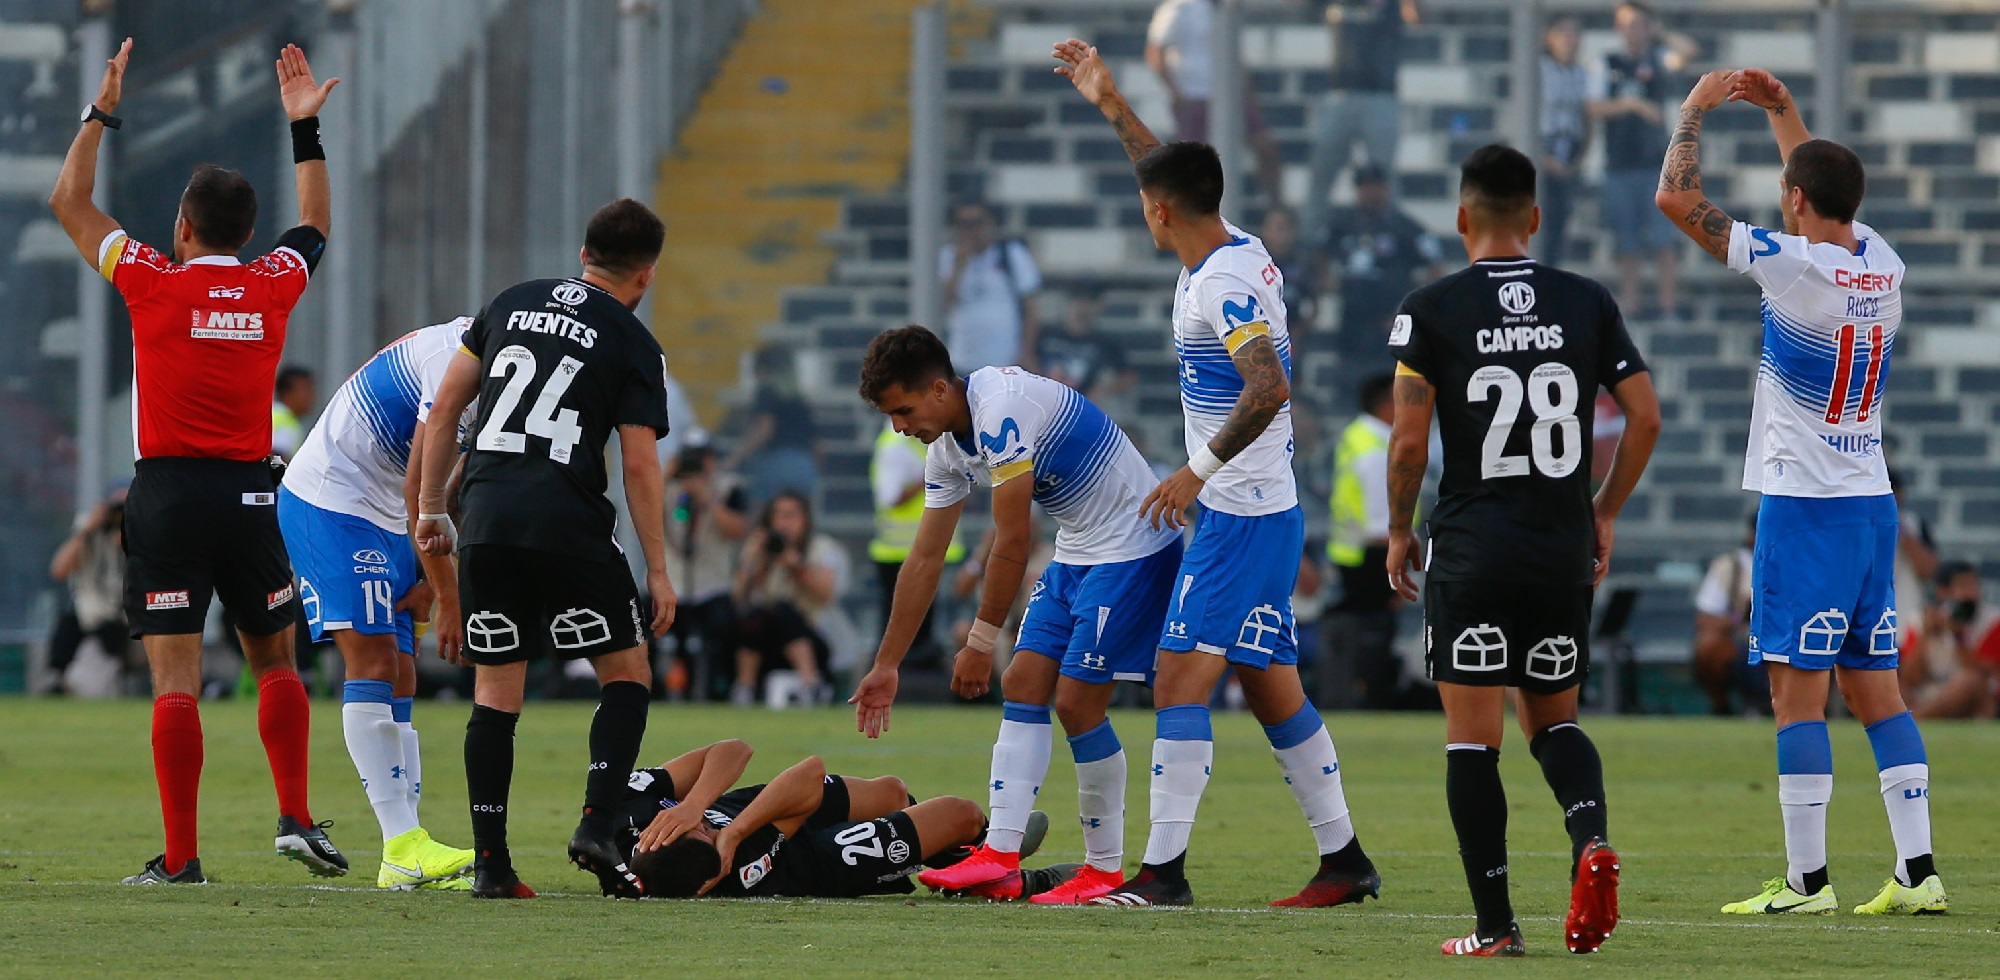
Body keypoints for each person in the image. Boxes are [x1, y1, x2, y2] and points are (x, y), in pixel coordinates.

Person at [1055, 39, 1379, 909]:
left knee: (1178, 678)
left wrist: (1194, 474)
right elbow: (1165, 173)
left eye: (1144, 203)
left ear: (1160, 215)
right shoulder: (1225, 244)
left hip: (1239, 513)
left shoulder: (1220, 287)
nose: (1143, 210)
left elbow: (1271, 387)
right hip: (1259, 509)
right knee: (1273, 690)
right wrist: (1112, 104)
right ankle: (1344, 859)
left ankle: (1163, 874)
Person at [49, 40, 343, 886]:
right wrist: (305, 125)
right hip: (255, 493)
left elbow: (70, 201)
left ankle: (181, 860)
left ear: (183, 228)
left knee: (175, 679)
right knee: (275, 662)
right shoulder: (271, 283)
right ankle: (293, 815)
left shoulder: (151, 278)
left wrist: (101, 112)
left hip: (169, 495)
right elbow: (316, 225)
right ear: (248, 234)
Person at [1659, 67, 1947, 917]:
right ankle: (1917, 871)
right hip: (1870, 500)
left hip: (1805, 503)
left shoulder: (1793, 269)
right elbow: (1815, 186)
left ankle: (1807, 883)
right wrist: (1784, 110)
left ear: (1791, 202)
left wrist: (1695, 110)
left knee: (1795, 692)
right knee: (1877, 690)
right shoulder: (1879, 262)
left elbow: (1677, 203)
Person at [1387, 144, 1660, 956]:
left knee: (1473, 739)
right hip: (1558, 544)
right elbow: (1644, 418)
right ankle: (1591, 843)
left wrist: (1401, 529)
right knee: (1553, 720)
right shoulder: (1587, 299)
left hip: (1473, 545)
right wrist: (1603, 511)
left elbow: (1407, 445)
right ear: (1535, 219)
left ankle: (1497, 928)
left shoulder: (1430, 308)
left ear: (1462, 217)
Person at [848, 325, 1185, 905]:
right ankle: (999, 855)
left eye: (902, 410)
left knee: (1077, 703)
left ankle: (1102, 870)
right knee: (1024, 682)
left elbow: (1012, 539)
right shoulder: (947, 446)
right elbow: (925, 557)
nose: (899, 427)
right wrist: (888, 663)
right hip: (1081, 548)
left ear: (936, 389)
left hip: (1134, 547)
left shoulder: (1002, 408)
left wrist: (980, 639)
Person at [415, 198, 677, 900]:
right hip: (567, 522)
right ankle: (598, 820)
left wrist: (432, 508)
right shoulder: (631, 339)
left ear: (583, 253)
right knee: (626, 671)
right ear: (645, 274)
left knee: (496, 692)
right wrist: (657, 567)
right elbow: (641, 463)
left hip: (487, 518)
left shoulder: (509, 303)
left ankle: (493, 865)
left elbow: (445, 410)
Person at [276, 318, 481, 890]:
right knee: (373, 665)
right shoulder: (454, 364)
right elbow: (425, 483)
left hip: (391, 514)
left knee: (403, 675)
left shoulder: (497, 365)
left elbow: (454, 484)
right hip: (333, 504)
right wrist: (447, 593)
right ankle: (401, 842)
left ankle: (407, 851)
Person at [615, 741, 1071, 900]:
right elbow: (808, 777)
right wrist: (733, 833)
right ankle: (994, 867)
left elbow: (733, 750)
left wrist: (694, 802)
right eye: (707, 833)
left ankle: (946, 854)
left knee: (892, 790)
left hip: (773, 807)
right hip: (814, 856)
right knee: (960, 813)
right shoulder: (740, 860)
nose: (705, 823)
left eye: (697, 824)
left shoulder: (631, 815)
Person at [1590, 2, 1694, 317]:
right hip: (1619, 163)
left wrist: (1658, 32)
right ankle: (1630, 305)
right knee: (1627, 241)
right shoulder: (1606, 63)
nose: (1634, 31)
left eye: (1639, 24)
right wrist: (1632, 105)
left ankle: (1667, 305)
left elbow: (1688, 51)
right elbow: (1593, 106)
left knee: (1664, 239)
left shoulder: (1660, 58)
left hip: (1657, 164)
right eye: (1628, 24)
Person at [1302, 0, 1422, 241]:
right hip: (1341, 92)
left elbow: (1416, 16)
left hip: (1381, 93)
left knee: (1385, 177)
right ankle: (1308, 243)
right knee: (1322, 173)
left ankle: (1393, 242)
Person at [1320, 164, 1447, 390]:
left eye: (1374, 186)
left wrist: (1412, 304)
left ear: (1385, 188)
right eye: (1363, 186)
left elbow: (1435, 265)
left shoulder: (1405, 227)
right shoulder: (1341, 224)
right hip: (1352, 318)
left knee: (1388, 383)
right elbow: (1318, 255)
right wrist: (1329, 281)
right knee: (1348, 382)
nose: (1369, 192)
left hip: (1389, 319)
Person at [1145, 0, 1283, 204]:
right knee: (1195, 164)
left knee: (1265, 146)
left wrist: (1246, 94)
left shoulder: (1228, 7)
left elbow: (1235, 54)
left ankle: (1276, 204)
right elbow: (1155, 53)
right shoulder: (1180, 8)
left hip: (1230, 95)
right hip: (1195, 97)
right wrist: (1178, 94)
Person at [1323, 374, 1399, 710]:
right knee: (1374, 634)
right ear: (1387, 405)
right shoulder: (1376, 449)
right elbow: (1379, 519)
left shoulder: (1359, 436)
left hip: (1351, 551)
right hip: (1372, 552)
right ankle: (1370, 699)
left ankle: (1354, 693)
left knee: (1359, 630)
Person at [731, 490, 845, 706]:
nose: (784, 523)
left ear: (805, 520)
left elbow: (826, 594)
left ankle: (810, 685)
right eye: (779, 516)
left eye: (791, 516)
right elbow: (739, 598)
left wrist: (796, 566)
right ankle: (744, 688)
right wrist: (751, 562)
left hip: (812, 634)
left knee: (784, 611)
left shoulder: (821, 548)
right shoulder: (762, 550)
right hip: (768, 639)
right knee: (755, 616)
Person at [869, 421, 960, 671]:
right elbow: (890, 497)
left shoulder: (909, 443)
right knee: (904, 624)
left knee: (918, 624)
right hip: (900, 552)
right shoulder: (896, 446)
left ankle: (913, 674)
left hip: (915, 549)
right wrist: (932, 478)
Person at [663, 444, 748, 700]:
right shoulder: (668, 491)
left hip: (713, 584)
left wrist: (706, 498)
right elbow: (644, 511)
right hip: (675, 584)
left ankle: (719, 689)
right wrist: (667, 476)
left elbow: (736, 530)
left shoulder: (728, 488)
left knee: (721, 634)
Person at [44, 486, 129, 694]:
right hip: (89, 613)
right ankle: (59, 679)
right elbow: (59, 570)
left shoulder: (145, 532)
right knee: (68, 623)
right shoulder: (90, 532)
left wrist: (132, 539)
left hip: (125, 617)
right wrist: (86, 531)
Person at [939, 202, 1041, 375]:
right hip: (961, 358)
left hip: (1004, 360)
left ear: (989, 222)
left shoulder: (1011, 253)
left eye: (976, 223)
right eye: (963, 224)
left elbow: (1031, 308)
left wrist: (1026, 352)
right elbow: (945, 303)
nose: (971, 231)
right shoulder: (949, 256)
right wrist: (959, 265)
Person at [722, 346, 818, 509]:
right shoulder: (800, 399)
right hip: (804, 464)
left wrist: (734, 459)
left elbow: (765, 430)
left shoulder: (767, 392)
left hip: (775, 463)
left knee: (764, 515)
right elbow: (816, 443)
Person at [1904, 562, 1998, 719]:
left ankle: (1915, 720)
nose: (1972, 593)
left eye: (1974, 585)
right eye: (1964, 586)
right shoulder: (1919, 621)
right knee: (1890, 684)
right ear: (1943, 592)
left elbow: (1981, 674)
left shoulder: (1992, 621)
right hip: (1929, 692)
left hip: (1973, 698)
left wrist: (1959, 637)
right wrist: (1926, 636)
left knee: (1968, 681)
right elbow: (1910, 678)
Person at [1692, 515, 1758, 716]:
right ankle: (1722, 707)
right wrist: (1739, 619)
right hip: (1740, 638)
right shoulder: (1729, 565)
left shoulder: (1797, 563)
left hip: (1790, 638)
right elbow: (1706, 618)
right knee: (1709, 646)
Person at [1538, 16, 1590, 266]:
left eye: (1574, 34)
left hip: (1569, 153)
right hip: (1542, 154)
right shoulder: (1539, 72)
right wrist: (1543, 158)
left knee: (1559, 227)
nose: (1570, 41)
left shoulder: (1582, 74)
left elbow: (1587, 117)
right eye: (1563, 33)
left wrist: (1579, 158)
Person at [1034, 292, 1137, 404]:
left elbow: (1129, 376)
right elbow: (1026, 357)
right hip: (1043, 399)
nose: (1084, 307)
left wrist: (1101, 392)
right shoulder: (1047, 334)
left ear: (1098, 306)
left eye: (1089, 302)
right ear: (1070, 303)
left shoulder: (1104, 342)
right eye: (1080, 301)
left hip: (1081, 404)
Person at [271, 365, 316, 459]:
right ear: (286, 393)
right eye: (305, 389)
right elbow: (274, 458)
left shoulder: (273, 413)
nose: (311, 395)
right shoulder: (285, 421)